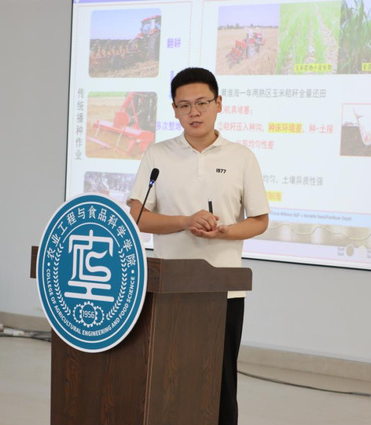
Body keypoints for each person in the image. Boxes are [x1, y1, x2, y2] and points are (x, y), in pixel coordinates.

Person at [127, 67, 270, 425]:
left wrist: (223, 232)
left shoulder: (241, 157)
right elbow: (138, 218)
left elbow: (259, 220)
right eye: (185, 105)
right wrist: (185, 221)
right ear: (174, 110)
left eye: (202, 103)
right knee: (168, 377)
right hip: (168, 288)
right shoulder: (158, 155)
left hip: (223, 289)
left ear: (219, 103)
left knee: (220, 381)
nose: (194, 112)